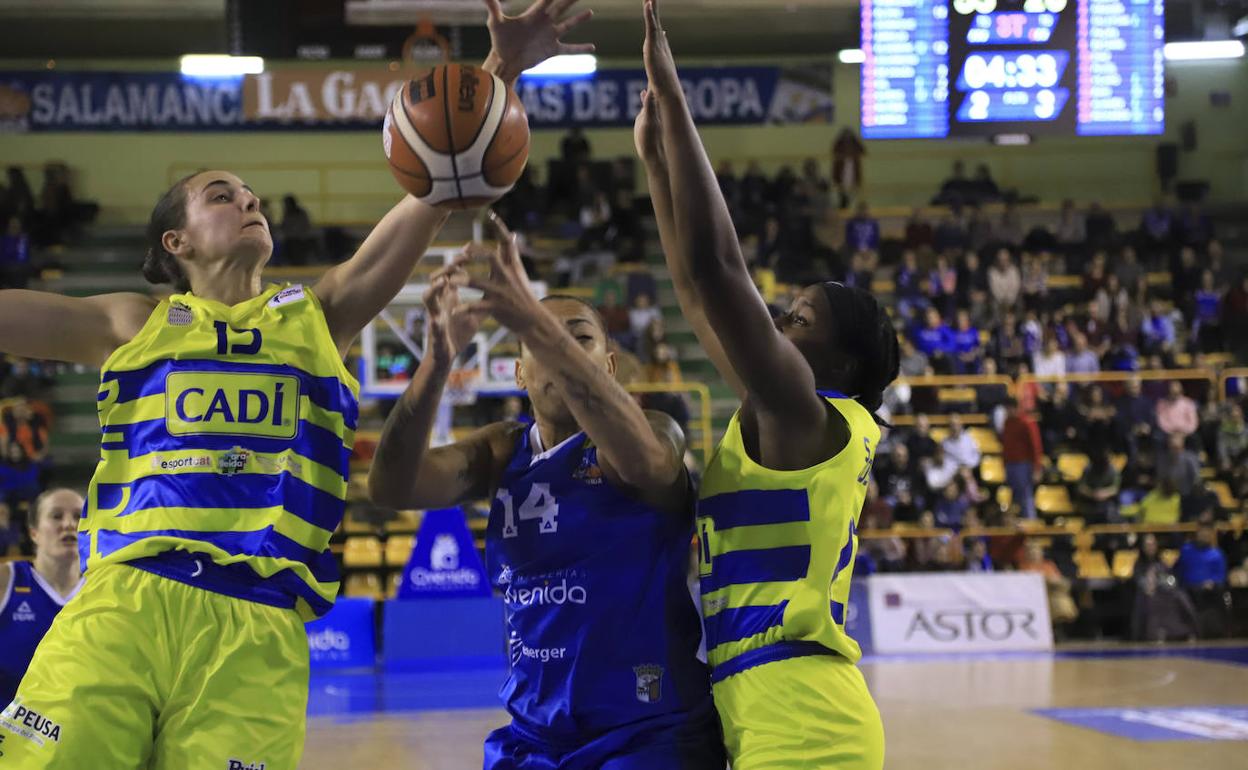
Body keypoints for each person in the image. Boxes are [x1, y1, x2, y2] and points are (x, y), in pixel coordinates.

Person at [0, 4, 586, 767]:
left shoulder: (318, 317)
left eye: (251, 194)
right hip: (126, 602)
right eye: (221, 195)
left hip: (259, 626)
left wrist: (496, 73)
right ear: (175, 242)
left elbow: (440, 180)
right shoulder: (133, 321)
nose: (247, 200)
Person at [636, 2, 899, 765]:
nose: (780, 321)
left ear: (840, 366)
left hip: (803, 716)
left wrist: (677, 105)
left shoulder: (804, 414)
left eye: (800, 319)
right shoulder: (777, 412)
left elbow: (720, 272)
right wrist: (655, 162)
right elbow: (692, 288)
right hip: (753, 700)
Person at [368, 215, 724, 770]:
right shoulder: (503, 452)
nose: (558, 346)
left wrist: (535, 321)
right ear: (518, 373)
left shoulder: (657, 428)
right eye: (540, 338)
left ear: (609, 365)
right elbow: (391, 485)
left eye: (577, 336)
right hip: (532, 738)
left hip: (649, 734)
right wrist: (436, 364)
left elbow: (641, 464)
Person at [0, 489, 84, 707]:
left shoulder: (104, 588)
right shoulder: (6, 580)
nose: (69, 524)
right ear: (34, 532)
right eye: (56, 516)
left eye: (78, 516)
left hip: (76, 731)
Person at [1001, 398, 1043, 519]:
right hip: (1010, 465)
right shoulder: (1007, 423)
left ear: (1015, 408)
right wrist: (1004, 464)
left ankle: (1030, 523)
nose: (1008, 411)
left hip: (1023, 465)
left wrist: (1037, 468)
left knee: (1025, 496)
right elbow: (1006, 445)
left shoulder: (1027, 422)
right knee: (1014, 497)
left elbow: (1036, 446)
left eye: (1009, 409)